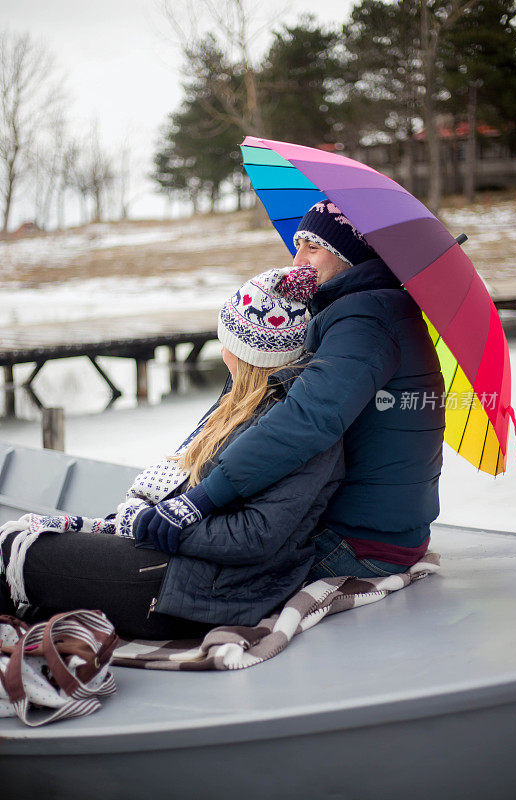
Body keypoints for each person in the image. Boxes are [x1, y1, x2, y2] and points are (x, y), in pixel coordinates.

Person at [0, 266, 344, 639]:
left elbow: (256, 535)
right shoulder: (244, 400)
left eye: (226, 336)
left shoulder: (297, 425)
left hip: (202, 591)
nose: (222, 345)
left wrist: (159, 524)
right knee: (24, 543)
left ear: (246, 351)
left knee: (10, 552)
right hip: (185, 569)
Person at [136, 200, 446, 581]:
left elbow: (309, 418)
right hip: (385, 528)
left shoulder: (366, 321)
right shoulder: (373, 308)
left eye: (312, 248)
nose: (298, 259)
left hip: (361, 543)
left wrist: (202, 498)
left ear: (349, 256)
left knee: (177, 570)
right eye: (298, 245)